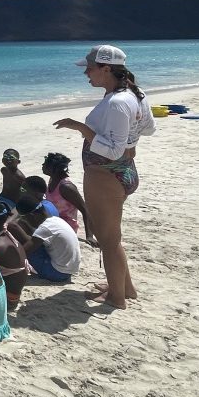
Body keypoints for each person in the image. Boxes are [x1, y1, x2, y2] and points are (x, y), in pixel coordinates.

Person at [55, 44, 155, 309]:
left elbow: (112, 150)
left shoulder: (118, 102)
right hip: (123, 171)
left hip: (105, 174)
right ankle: (124, 287)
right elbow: (149, 128)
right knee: (112, 237)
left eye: (90, 68)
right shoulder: (134, 93)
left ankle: (116, 298)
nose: (86, 73)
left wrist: (80, 128)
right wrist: (130, 140)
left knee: (108, 240)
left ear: (106, 68)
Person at [10, 196, 81, 283]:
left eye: (25, 218)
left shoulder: (45, 228)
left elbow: (25, 251)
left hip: (57, 273)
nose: (26, 221)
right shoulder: (55, 220)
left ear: (32, 216)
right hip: (67, 270)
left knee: (21, 249)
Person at [42, 152, 94, 246]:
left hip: (66, 227)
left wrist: (89, 236)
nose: (43, 165)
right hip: (54, 223)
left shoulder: (66, 187)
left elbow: (85, 210)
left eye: (46, 164)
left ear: (54, 169)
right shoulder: (52, 180)